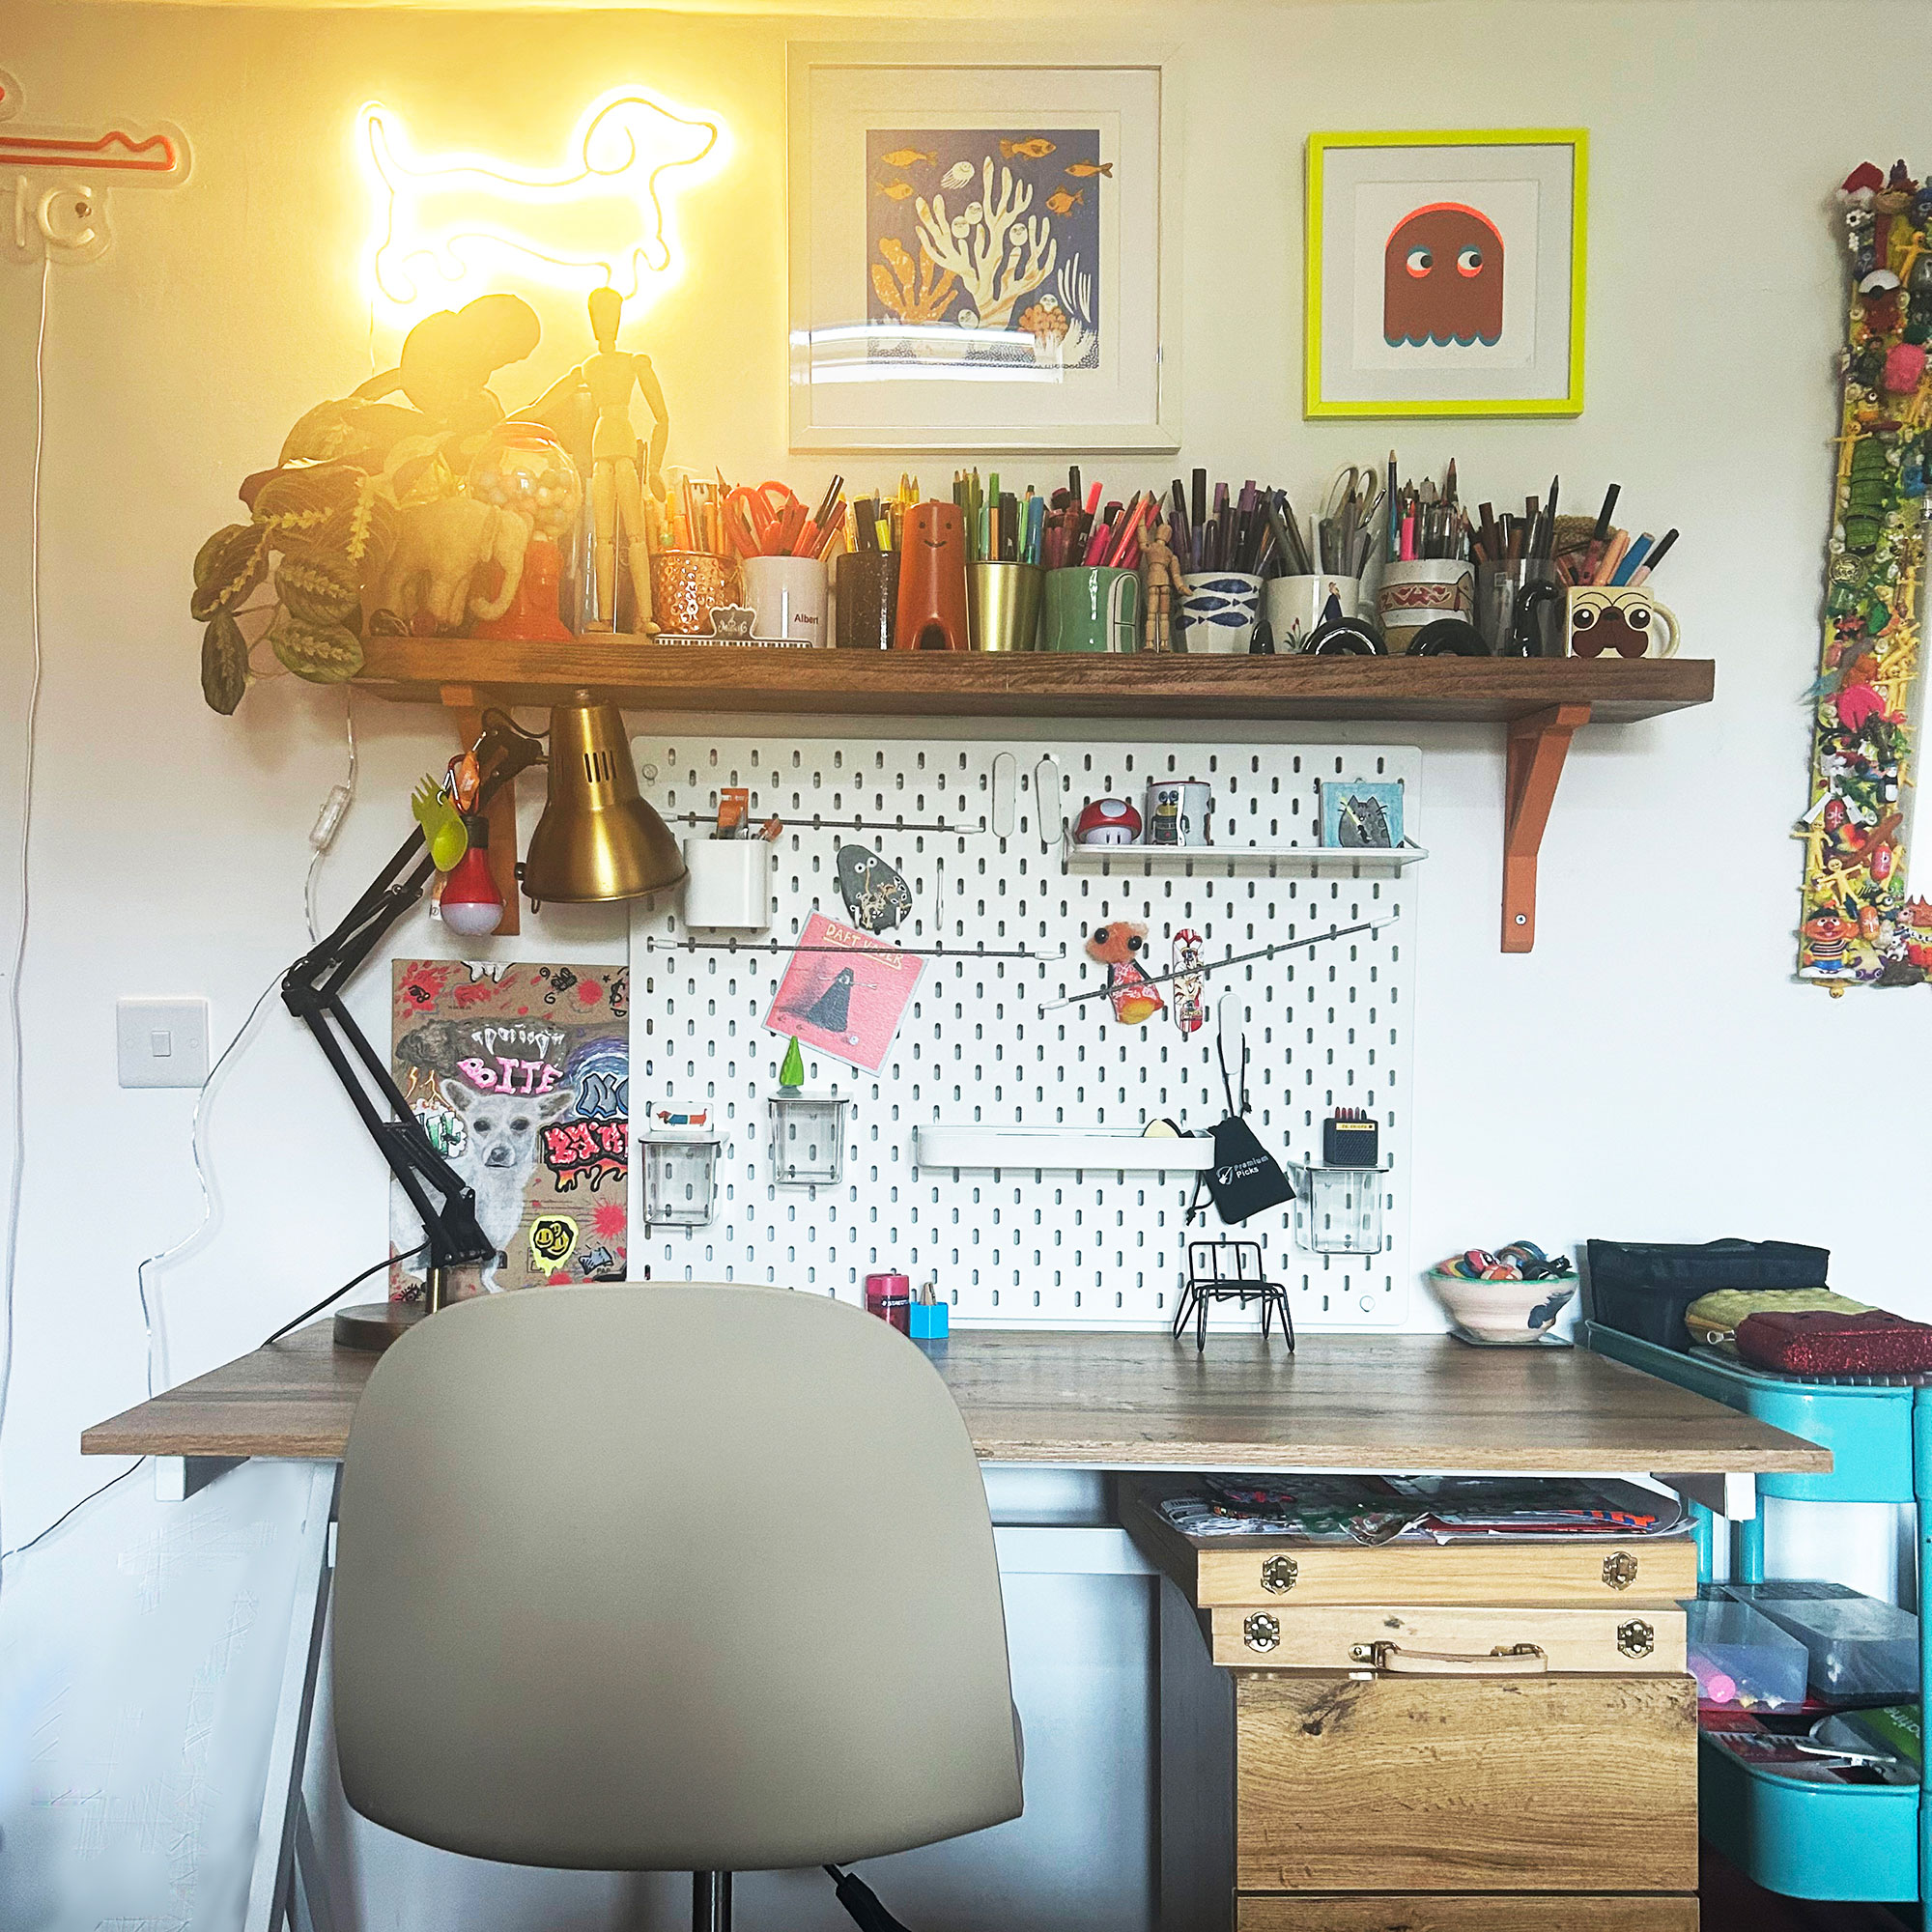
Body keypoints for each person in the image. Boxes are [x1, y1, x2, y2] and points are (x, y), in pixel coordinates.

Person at [529, 286, 670, 632]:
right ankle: (605, 618)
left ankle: (645, 617)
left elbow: (662, 418)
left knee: (636, 535)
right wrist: (507, 424)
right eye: (598, 317)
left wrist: (654, 468)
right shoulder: (588, 367)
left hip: (622, 445)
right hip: (601, 447)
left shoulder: (634, 362)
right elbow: (541, 406)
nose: (604, 324)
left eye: (609, 316)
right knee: (602, 538)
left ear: (619, 319)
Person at [1143, 513, 1186, 653]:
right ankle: (1161, 643)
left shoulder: (1154, 548)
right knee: (1163, 616)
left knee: (1153, 614)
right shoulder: (1168, 553)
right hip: (1163, 582)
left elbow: (1142, 543)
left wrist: (1141, 522)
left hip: (1155, 580)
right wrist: (1180, 586)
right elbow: (1176, 575)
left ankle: (1153, 643)